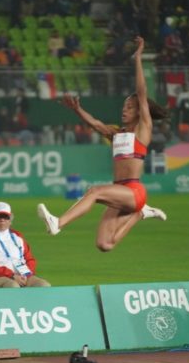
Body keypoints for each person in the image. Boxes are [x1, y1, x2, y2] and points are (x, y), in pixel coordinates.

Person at [37, 37, 168, 252]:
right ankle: (140, 214)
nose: (124, 110)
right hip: (120, 192)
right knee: (104, 244)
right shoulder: (117, 134)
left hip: (134, 191)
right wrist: (77, 110)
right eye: (124, 106)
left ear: (139, 111)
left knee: (94, 191)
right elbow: (96, 124)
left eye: (130, 107)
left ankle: (57, 223)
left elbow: (141, 91)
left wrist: (138, 58)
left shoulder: (143, 129)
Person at [0, 202, 51, 288]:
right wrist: (12, 275)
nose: (2, 220)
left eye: (5, 217)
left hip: (22, 276)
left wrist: (27, 274)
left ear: (10, 219)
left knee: (44, 285)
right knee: (13, 286)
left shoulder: (17, 235)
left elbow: (29, 259)